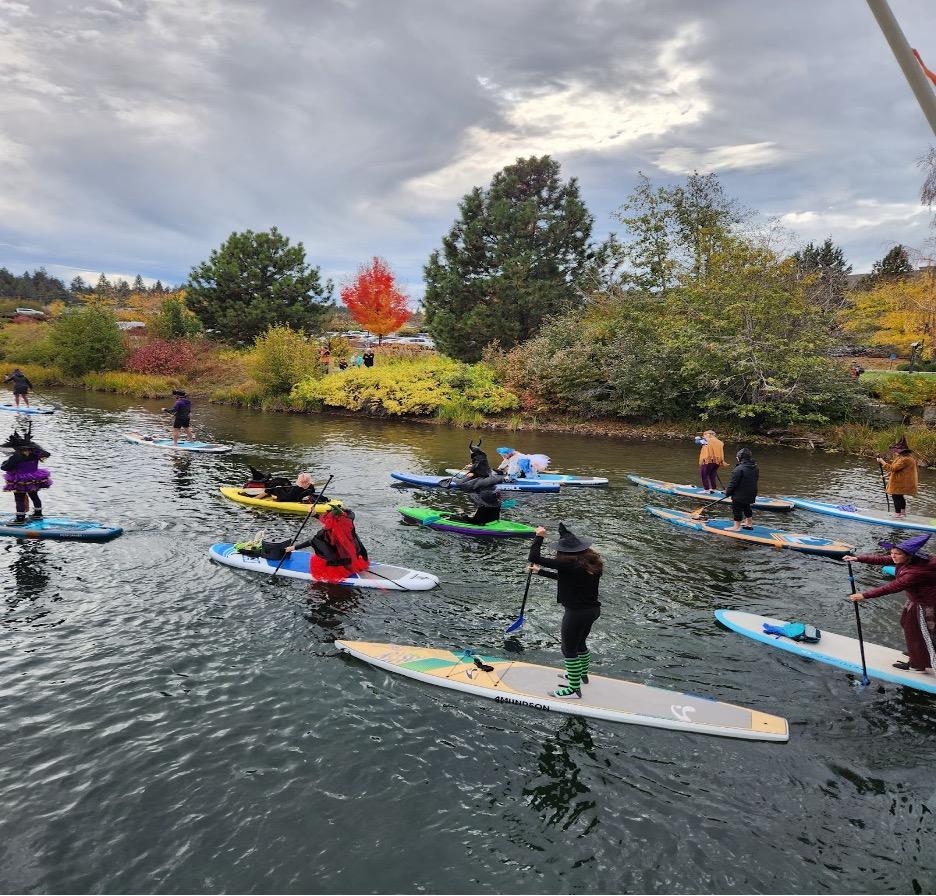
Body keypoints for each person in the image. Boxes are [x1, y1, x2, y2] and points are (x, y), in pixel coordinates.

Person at [528, 523, 603, 699]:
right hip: (592, 611)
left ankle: (573, 688)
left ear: (565, 552)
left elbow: (533, 556)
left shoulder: (568, 564)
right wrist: (541, 573)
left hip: (576, 613)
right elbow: (569, 580)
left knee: (568, 650)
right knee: (580, 644)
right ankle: (581, 675)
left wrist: (539, 536)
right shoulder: (590, 563)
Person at [844, 535, 936, 672]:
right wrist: (858, 558)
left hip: (926, 604)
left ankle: (917, 664)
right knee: (908, 625)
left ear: (908, 555)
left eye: (897, 554)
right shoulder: (909, 558)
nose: (893, 556)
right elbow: (883, 559)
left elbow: (891, 587)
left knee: (922, 633)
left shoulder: (914, 573)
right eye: (892, 553)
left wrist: (863, 595)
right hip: (915, 600)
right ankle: (918, 655)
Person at [285, 500, 369, 582]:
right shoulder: (349, 529)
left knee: (321, 547)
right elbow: (331, 522)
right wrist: (315, 515)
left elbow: (312, 541)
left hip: (336, 565)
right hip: (352, 560)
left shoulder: (325, 533)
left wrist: (294, 547)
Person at [1, 424, 51, 523]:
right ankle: (38, 515)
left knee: (19, 498)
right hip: (34, 478)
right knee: (34, 495)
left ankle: (20, 519)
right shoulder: (35, 454)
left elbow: (5, 467)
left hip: (20, 480)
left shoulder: (16, 456)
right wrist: (36, 449)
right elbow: (47, 454)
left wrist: (4, 463)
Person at [878, 436, 917, 518]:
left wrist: (882, 462)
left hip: (900, 482)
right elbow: (897, 470)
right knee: (899, 496)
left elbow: (893, 468)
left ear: (902, 452)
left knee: (896, 496)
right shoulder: (904, 458)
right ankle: (903, 512)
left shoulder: (904, 459)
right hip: (902, 481)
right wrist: (886, 475)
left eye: (896, 451)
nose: (894, 452)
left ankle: (898, 514)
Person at [725, 447, 759, 532]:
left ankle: (736, 527)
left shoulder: (739, 469)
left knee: (736, 509)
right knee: (746, 506)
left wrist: (728, 492)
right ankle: (749, 523)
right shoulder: (755, 467)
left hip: (739, 494)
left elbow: (733, 483)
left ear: (739, 458)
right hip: (751, 492)